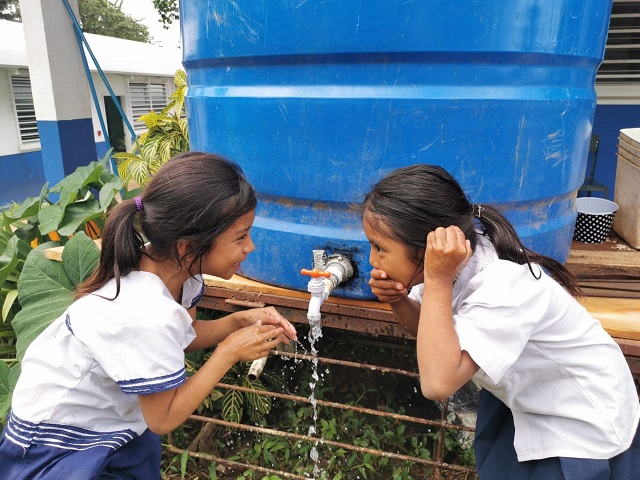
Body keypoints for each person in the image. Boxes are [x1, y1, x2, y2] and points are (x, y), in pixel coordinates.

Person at [0, 151, 298, 479]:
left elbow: (177, 339)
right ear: (187, 247)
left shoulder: (175, 272)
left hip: (114, 424)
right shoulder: (143, 311)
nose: (250, 247)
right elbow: (164, 418)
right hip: (57, 444)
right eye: (240, 236)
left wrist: (235, 323)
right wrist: (228, 352)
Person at [361, 164, 640, 479]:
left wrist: (437, 278)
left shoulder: (503, 289)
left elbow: (438, 382)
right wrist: (399, 300)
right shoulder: (449, 263)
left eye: (380, 248)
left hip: (581, 423)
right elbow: (430, 331)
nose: (372, 260)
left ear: (428, 248)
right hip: (530, 400)